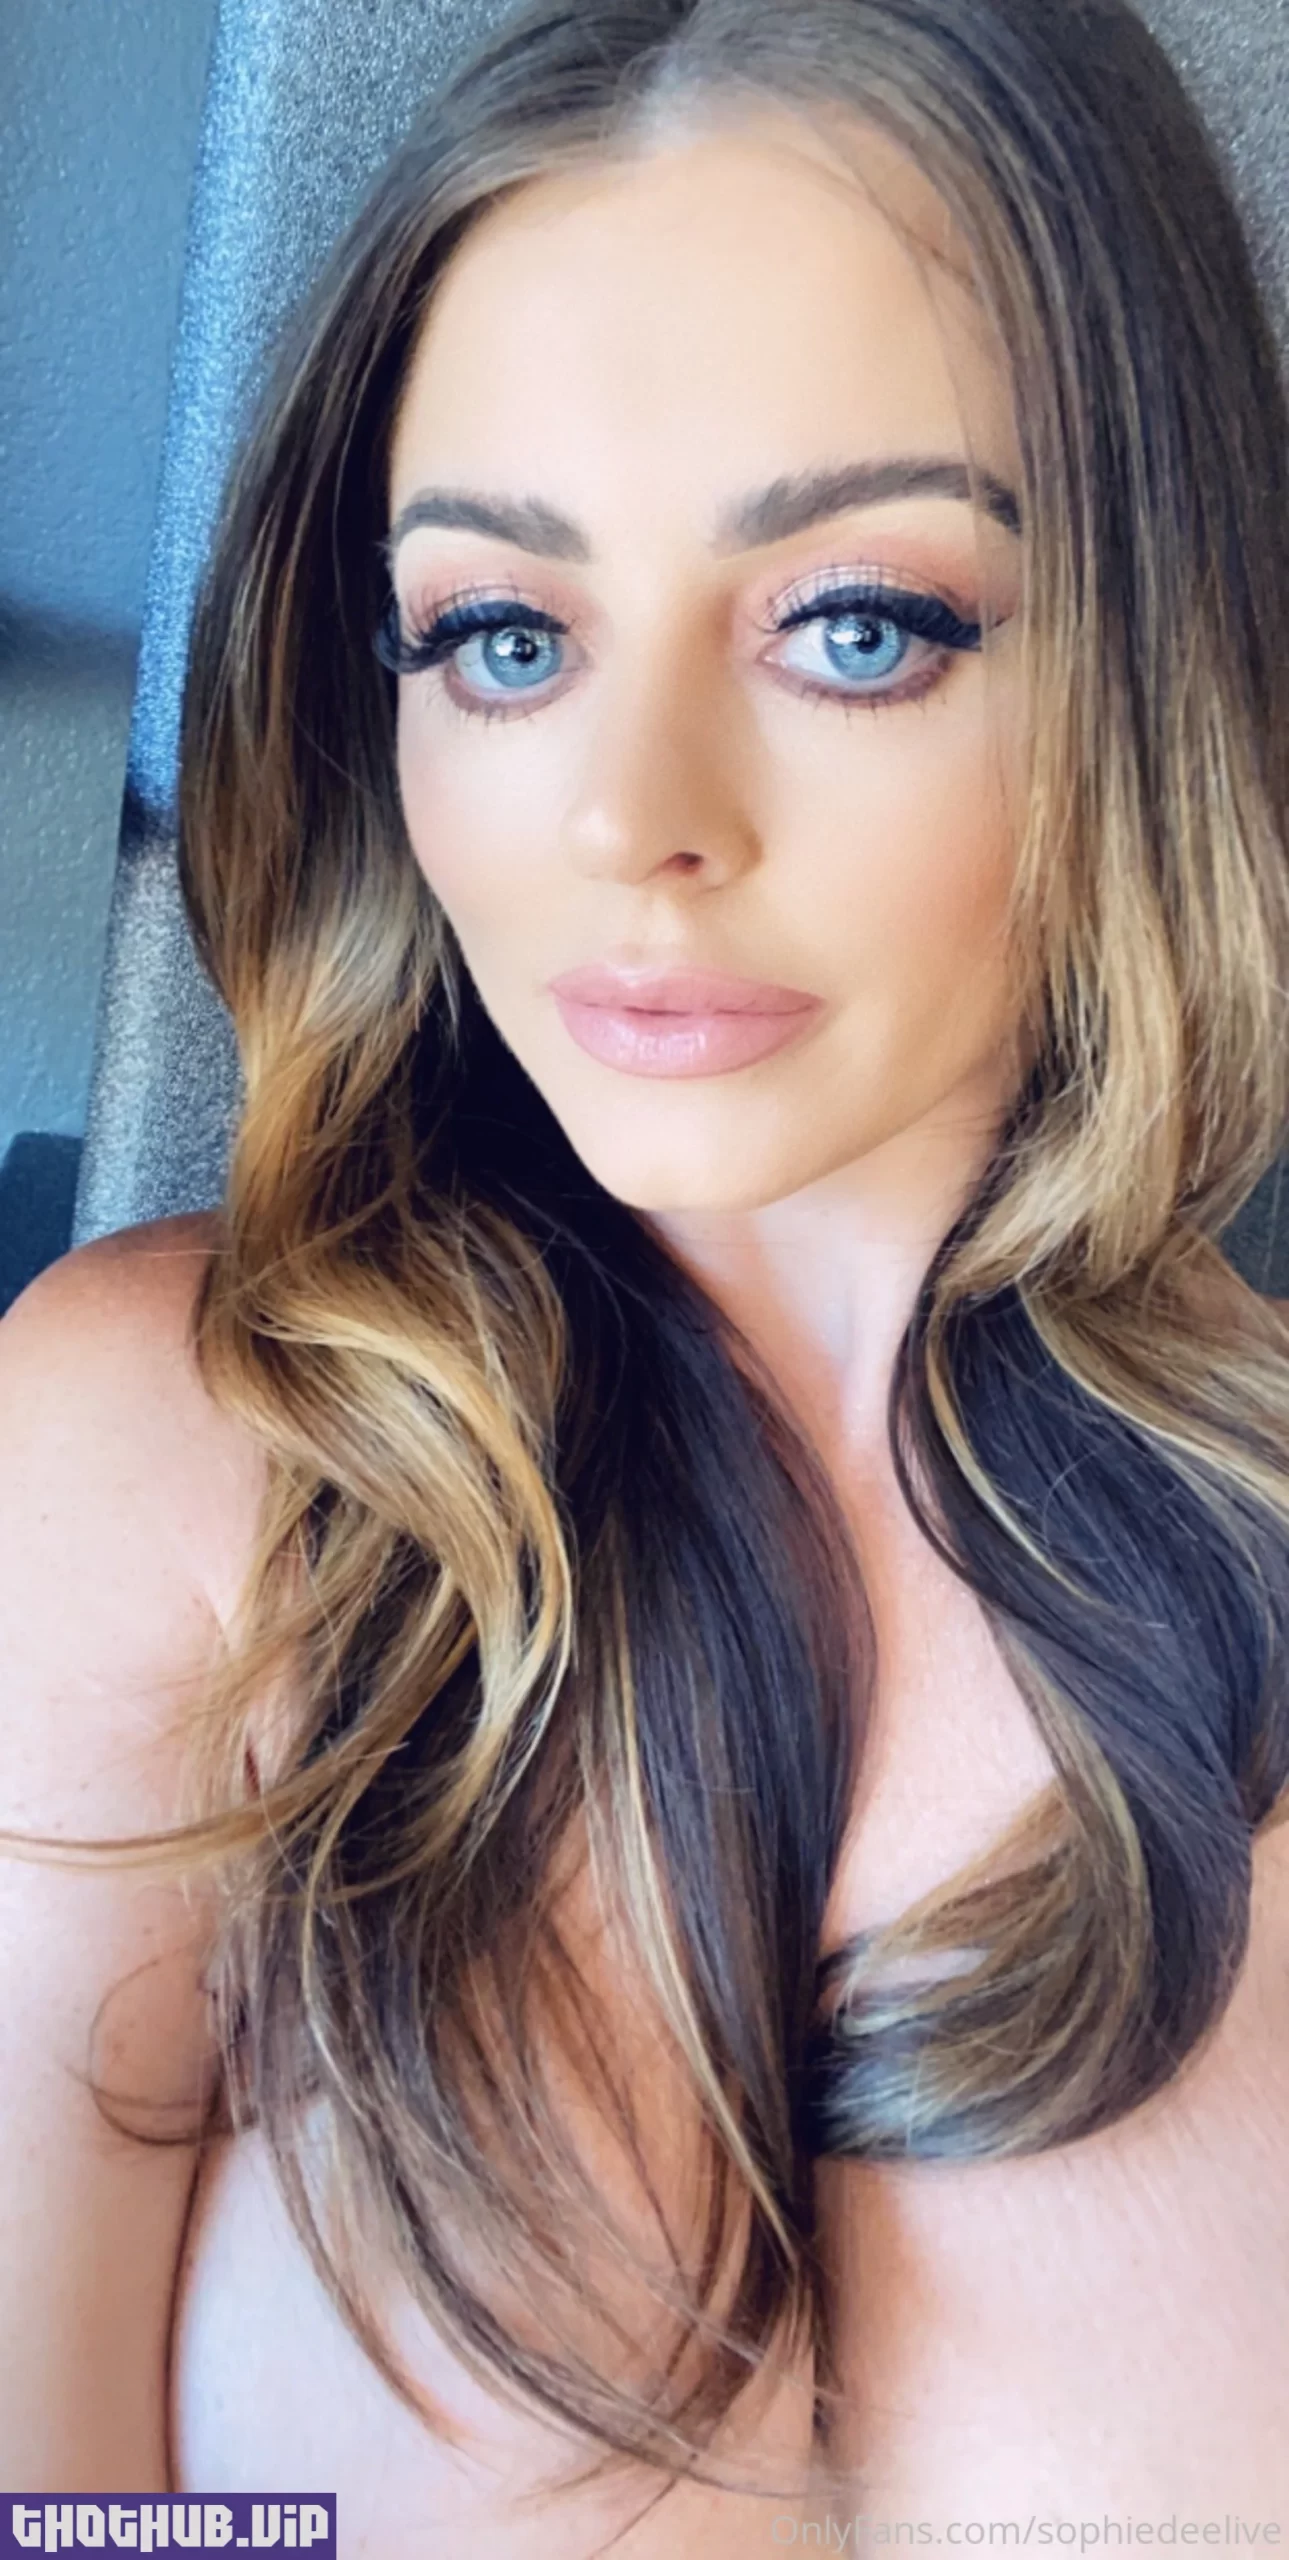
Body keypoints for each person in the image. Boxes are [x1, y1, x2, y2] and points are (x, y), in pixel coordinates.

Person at [3, 0, 1289, 2544]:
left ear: (1151, 664)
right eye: (502, 633)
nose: (629, 819)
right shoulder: (169, 1450)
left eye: (855, 623)